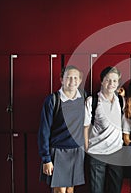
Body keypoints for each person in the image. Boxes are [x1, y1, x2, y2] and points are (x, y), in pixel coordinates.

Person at [38, 65, 85, 193]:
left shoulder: (84, 97)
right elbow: (44, 131)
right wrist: (46, 158)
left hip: (77, 151)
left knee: (70, 190)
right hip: (58, 152)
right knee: (59, 190)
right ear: (61, 80)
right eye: (68, 78)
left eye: (75, 78)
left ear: (80, 80)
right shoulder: (52, 100)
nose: (72, 81)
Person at [84, 66, 124, 193]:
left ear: (118, 83)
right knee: (96, 190)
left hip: (117, 153)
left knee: (115, 190)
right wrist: (87, 148)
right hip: (97, 153)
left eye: (114, 80)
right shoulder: (92, 101)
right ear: (102, 81)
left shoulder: (121, 100)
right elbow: (85, 127)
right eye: (108, 80)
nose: (111, 83)